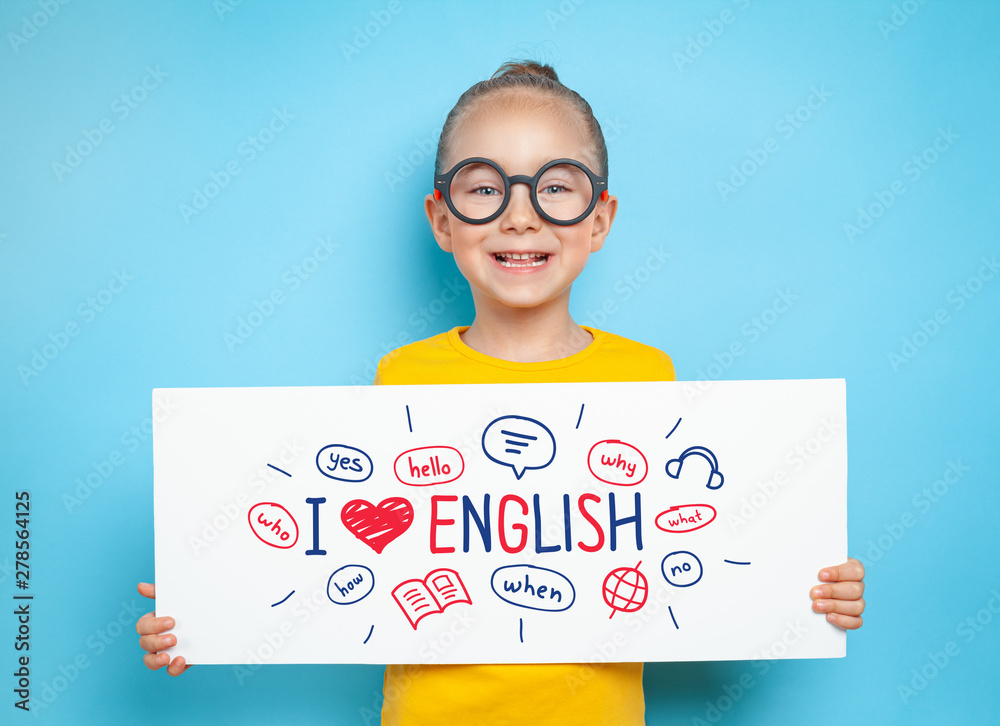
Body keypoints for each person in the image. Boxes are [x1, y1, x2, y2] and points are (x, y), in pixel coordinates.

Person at [137, 60, 866, 724]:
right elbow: (333, 546)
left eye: (556, 187)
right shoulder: (402, 378)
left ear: (601, 220)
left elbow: (701, 551)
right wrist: (207, 601)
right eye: (486, 188)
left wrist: (810, 587)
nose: (522, 215)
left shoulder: (649, 377)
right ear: (443, 220)